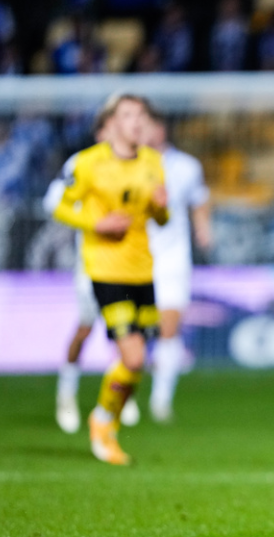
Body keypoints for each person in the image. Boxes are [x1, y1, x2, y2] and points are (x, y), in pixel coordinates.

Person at [52, 93, 168, 465]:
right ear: (112, 123)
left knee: (139, 360)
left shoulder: (152, 161)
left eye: (142, 115)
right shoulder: (88, 164)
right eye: (128, 115)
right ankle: (102, 423)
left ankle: (109, 420)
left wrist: (160, 208)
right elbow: (58, 204)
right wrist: (96, 223)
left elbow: (160, 218)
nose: (137, 122)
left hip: (142, 270)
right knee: (132, 358)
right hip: (105, 270)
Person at [47, 110, 142, 433]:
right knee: (85, 330)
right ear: (102, 131)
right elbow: (52, 201)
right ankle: (66, 394)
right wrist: (94, 224)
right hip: (93, 263)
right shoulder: (82, 163)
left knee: (124, 335)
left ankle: (119, 398)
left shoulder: (138, 163)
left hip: (128, 266)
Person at [141, 107, 212, 422]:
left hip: (172, 258)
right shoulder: (129, 166)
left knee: (169, 327)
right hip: (134, 258)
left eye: (155, 125)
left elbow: (199, 200)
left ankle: (160, 398)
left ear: (164, 128)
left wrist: (202, 229)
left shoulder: (186, 166)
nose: (150, 132)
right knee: (134, 332)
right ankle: (124, 396)